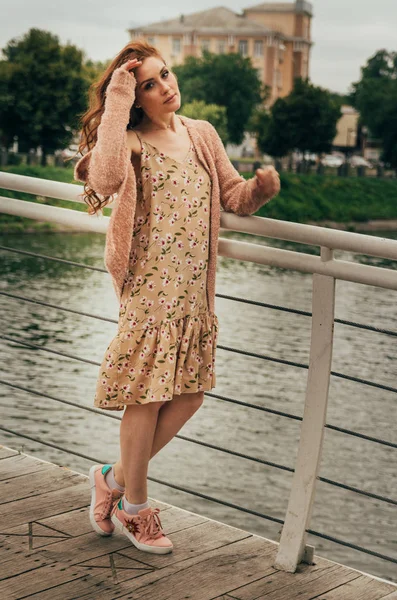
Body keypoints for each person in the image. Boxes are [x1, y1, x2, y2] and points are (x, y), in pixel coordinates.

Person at [74, 40, 280, 555]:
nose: (165, 87)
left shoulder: (201, 135)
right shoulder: (134, 141)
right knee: (145, 399)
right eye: (148, 84)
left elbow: (232, 196)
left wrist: (260, 191)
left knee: (188, 396)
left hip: (193, 296)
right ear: (135, 97)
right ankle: (136, 508)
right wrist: (118, 97)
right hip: (150, 291)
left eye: (164, 75)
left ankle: (112, 478)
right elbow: (103, 178)